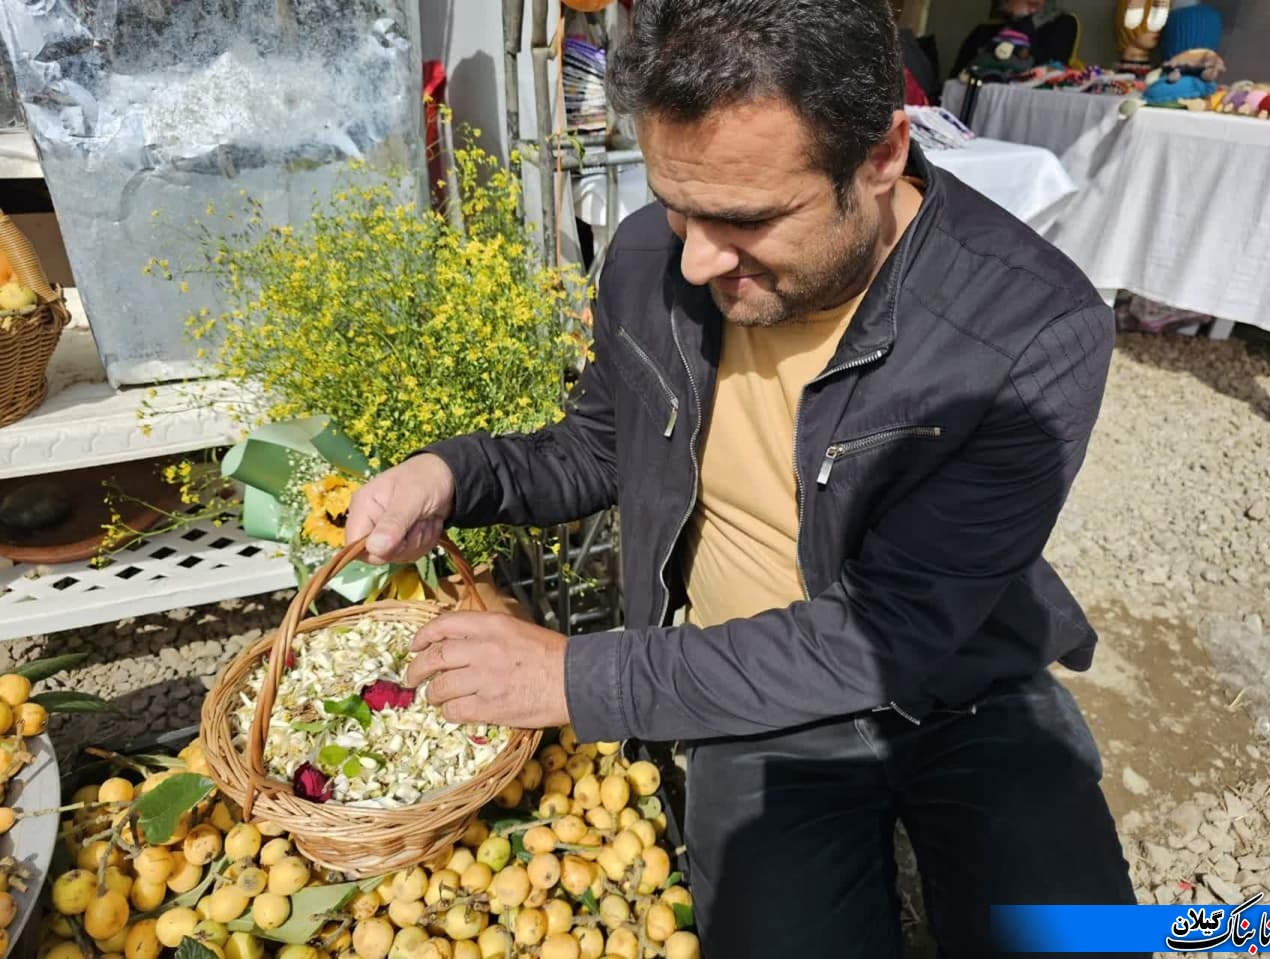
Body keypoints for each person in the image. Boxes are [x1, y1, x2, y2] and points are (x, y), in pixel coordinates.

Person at [346, 0, 1141, 955]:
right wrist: (451, 473)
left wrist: (578, 675)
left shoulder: (1030, 328)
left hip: (960, 681)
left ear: (883, 154)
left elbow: (882, 635)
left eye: (746, 218)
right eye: (675, 204)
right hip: (741, 687)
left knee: (1087, 938)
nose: (695, 256)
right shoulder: (652, 259)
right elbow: (601, 447)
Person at [951, 0, 1082, 78]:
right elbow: (957, 79)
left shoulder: (1062, 23)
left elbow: (1047, 70)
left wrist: (1024, 21)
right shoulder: (985, 29)